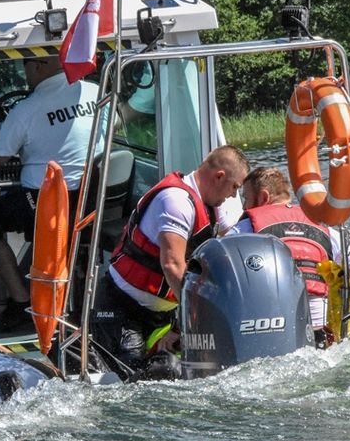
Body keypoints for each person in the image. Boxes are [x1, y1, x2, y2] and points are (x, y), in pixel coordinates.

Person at [93, 145, 250, 372]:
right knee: (136, 383)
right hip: (123, 311)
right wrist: (196, 320)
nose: (234, 195)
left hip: (161, 315)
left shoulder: (213, 205)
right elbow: (173, 265)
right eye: (234, 187)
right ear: (219, 177)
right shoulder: (176, 201)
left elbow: (237, 242)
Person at [0, 56, 103, 331]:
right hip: (94, 202)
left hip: (43, 205)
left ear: (37, 67)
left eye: (25, 66)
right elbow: (113, 128)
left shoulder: (26, 109)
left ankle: (20, 301)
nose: (25, 74)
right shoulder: (96, 92)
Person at [225, 166, 350, 345]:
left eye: (245, 198)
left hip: (274, 327)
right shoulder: (324, 225)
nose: (244, 205)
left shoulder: (245, 228)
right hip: (322, 326)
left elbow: (219, 265)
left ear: (263, 197)